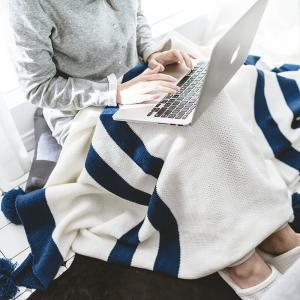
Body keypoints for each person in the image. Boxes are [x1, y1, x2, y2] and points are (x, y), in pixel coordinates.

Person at [8, 0, 300, 299]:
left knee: (210, 106)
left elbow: (137, 17)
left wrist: (151, 53)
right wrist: (117, 93)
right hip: (88, 112)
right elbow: (37, 87)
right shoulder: (30, 5)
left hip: (139, 83)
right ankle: (239, 261)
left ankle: (275, 232)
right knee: (186, 138)